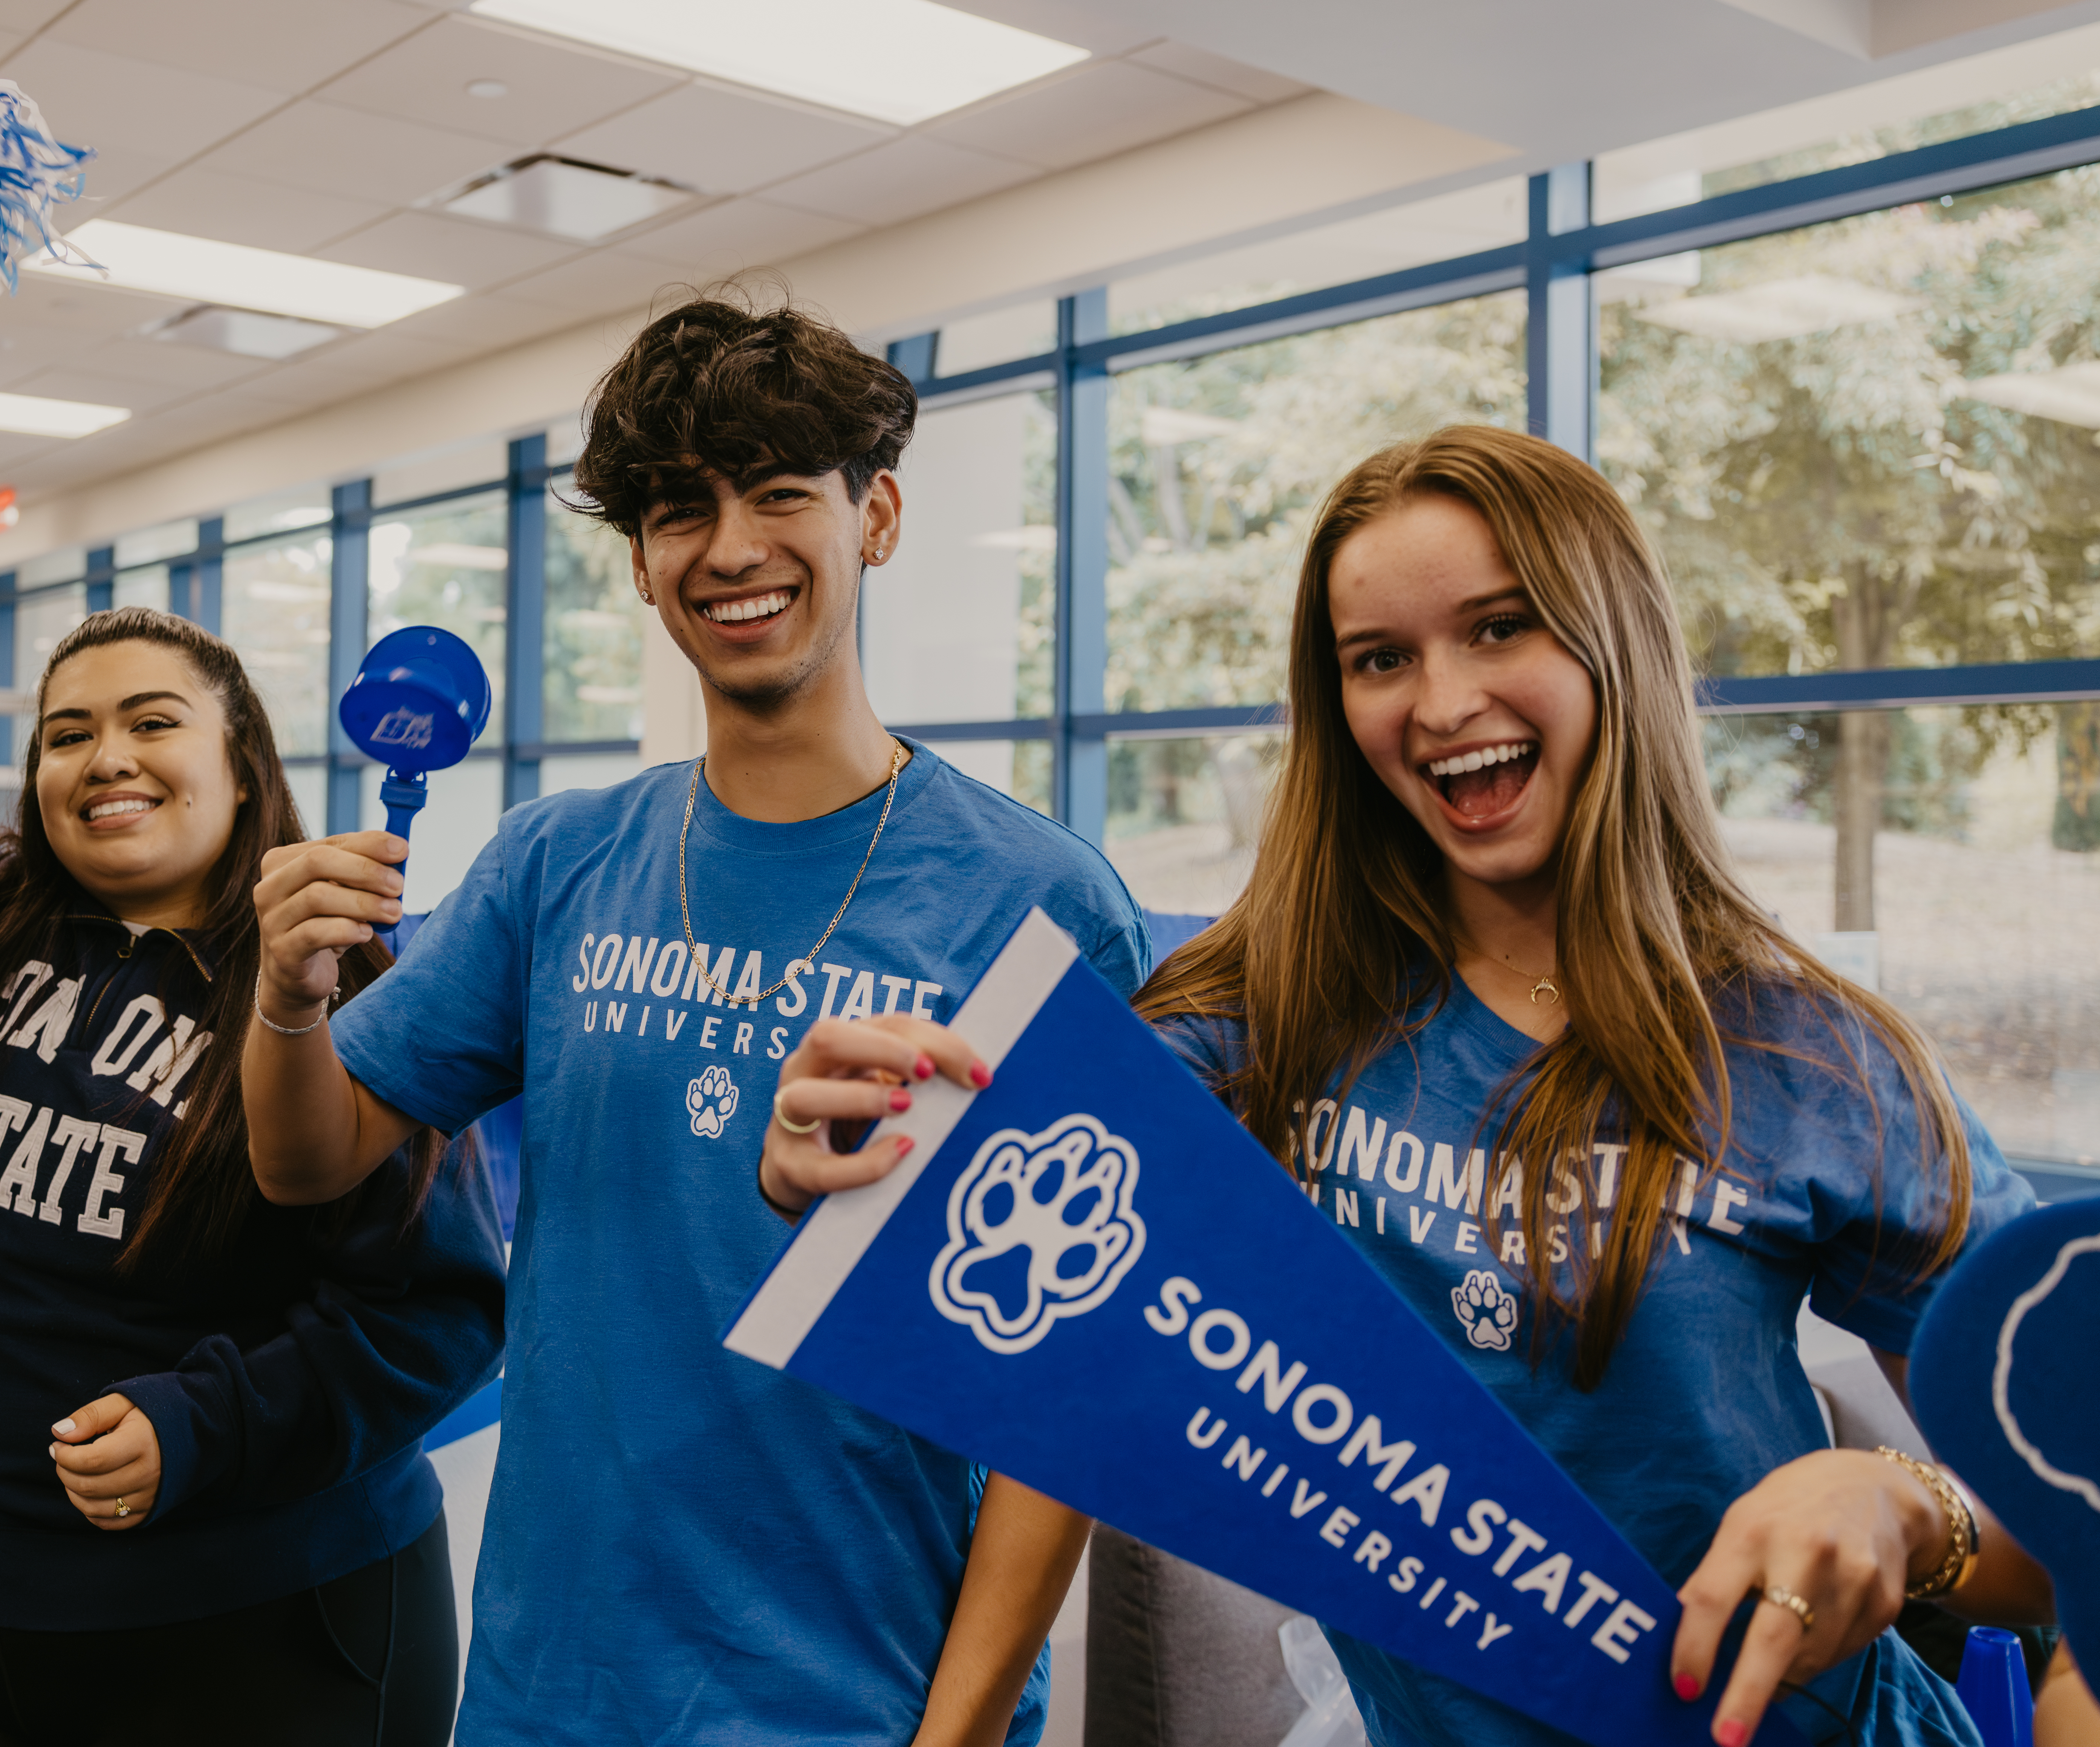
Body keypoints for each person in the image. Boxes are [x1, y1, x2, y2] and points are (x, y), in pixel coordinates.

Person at [245, 290, 1150, 1745]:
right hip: (552, 1689)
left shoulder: (1041, 900)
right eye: (681, 509)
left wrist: (962, 1734)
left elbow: (1080, 1385)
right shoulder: (557, 862)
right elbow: (308, 1157)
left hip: (864, 1695)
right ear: (643, 566)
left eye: (782, 492)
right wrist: (287, 1003)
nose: (730, 547)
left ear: (880, 517)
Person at [1116, 426, 2055, 1746]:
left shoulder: (1811, 1056)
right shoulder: (1259, 1020)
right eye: (1381, 658)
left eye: (1500, 629)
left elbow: (2066, 1505)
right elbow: (972, 1222)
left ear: (1611, 643)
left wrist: (1909, 1506)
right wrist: (855, 1138)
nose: (1440, 704)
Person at [0, 427, 506, 1747]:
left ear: (242, 758)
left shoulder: (336, 984)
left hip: (271, 1614)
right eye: (67, 735)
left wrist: (205, 1425)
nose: (107, 759)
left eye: (155, 723)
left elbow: (431, 1319)